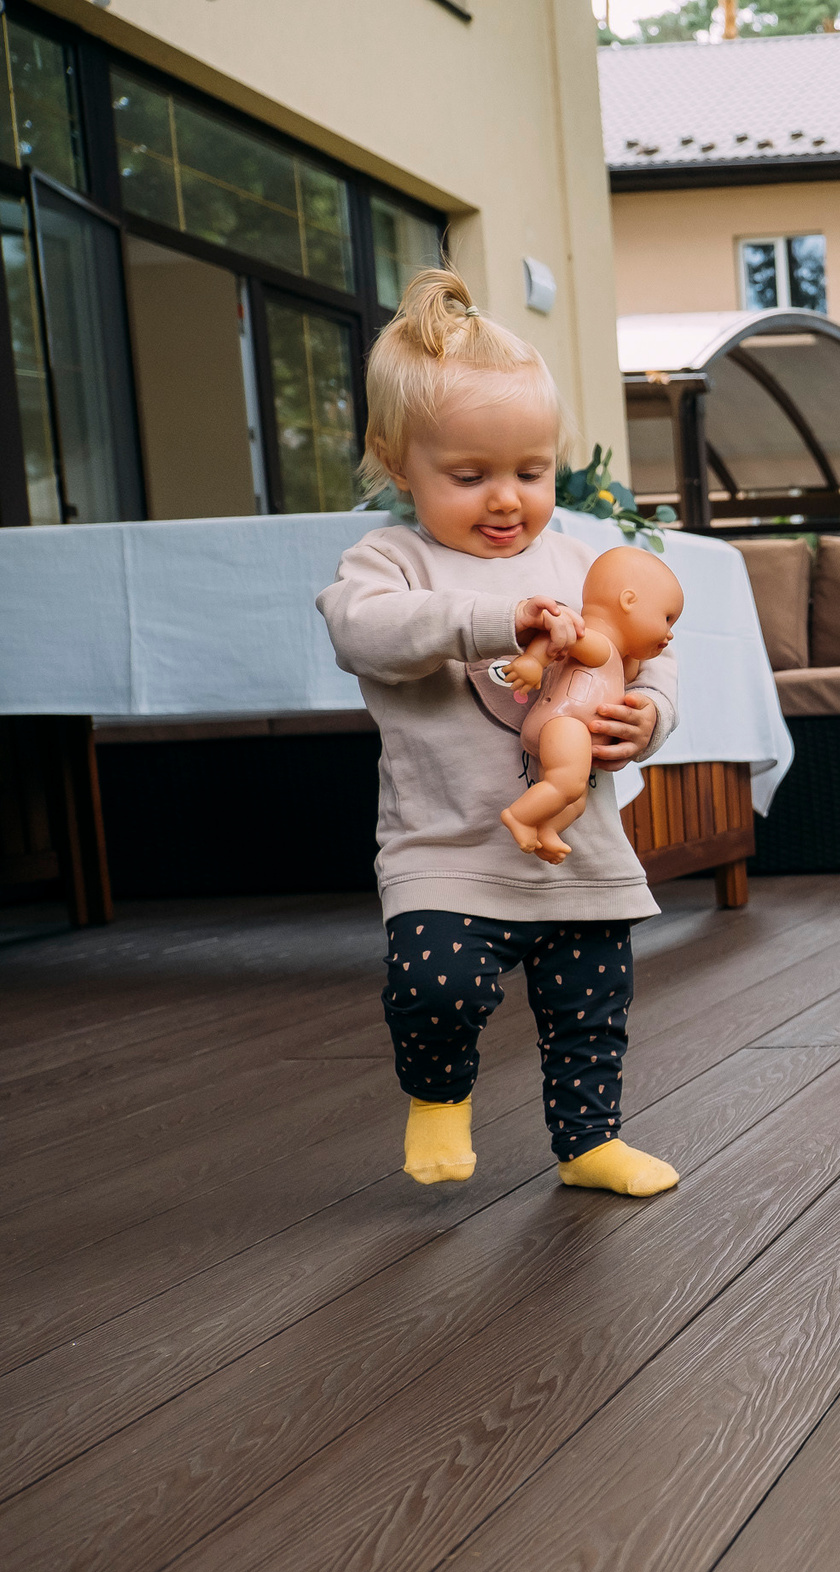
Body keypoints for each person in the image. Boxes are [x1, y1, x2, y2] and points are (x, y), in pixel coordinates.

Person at [317, 269, 683, 1200]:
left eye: (531, 471)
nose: (506, 500)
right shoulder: (388, 560)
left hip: (579, 851)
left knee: (590, 1009)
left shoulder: (583, 555)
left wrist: (649, 717)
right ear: (399, 464)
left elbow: (649, 654)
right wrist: (495, 620)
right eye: (469, 476)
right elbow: (366, 635)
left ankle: (589, 1143)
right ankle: (439, 1096)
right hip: (447, 844)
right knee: (436, 991)